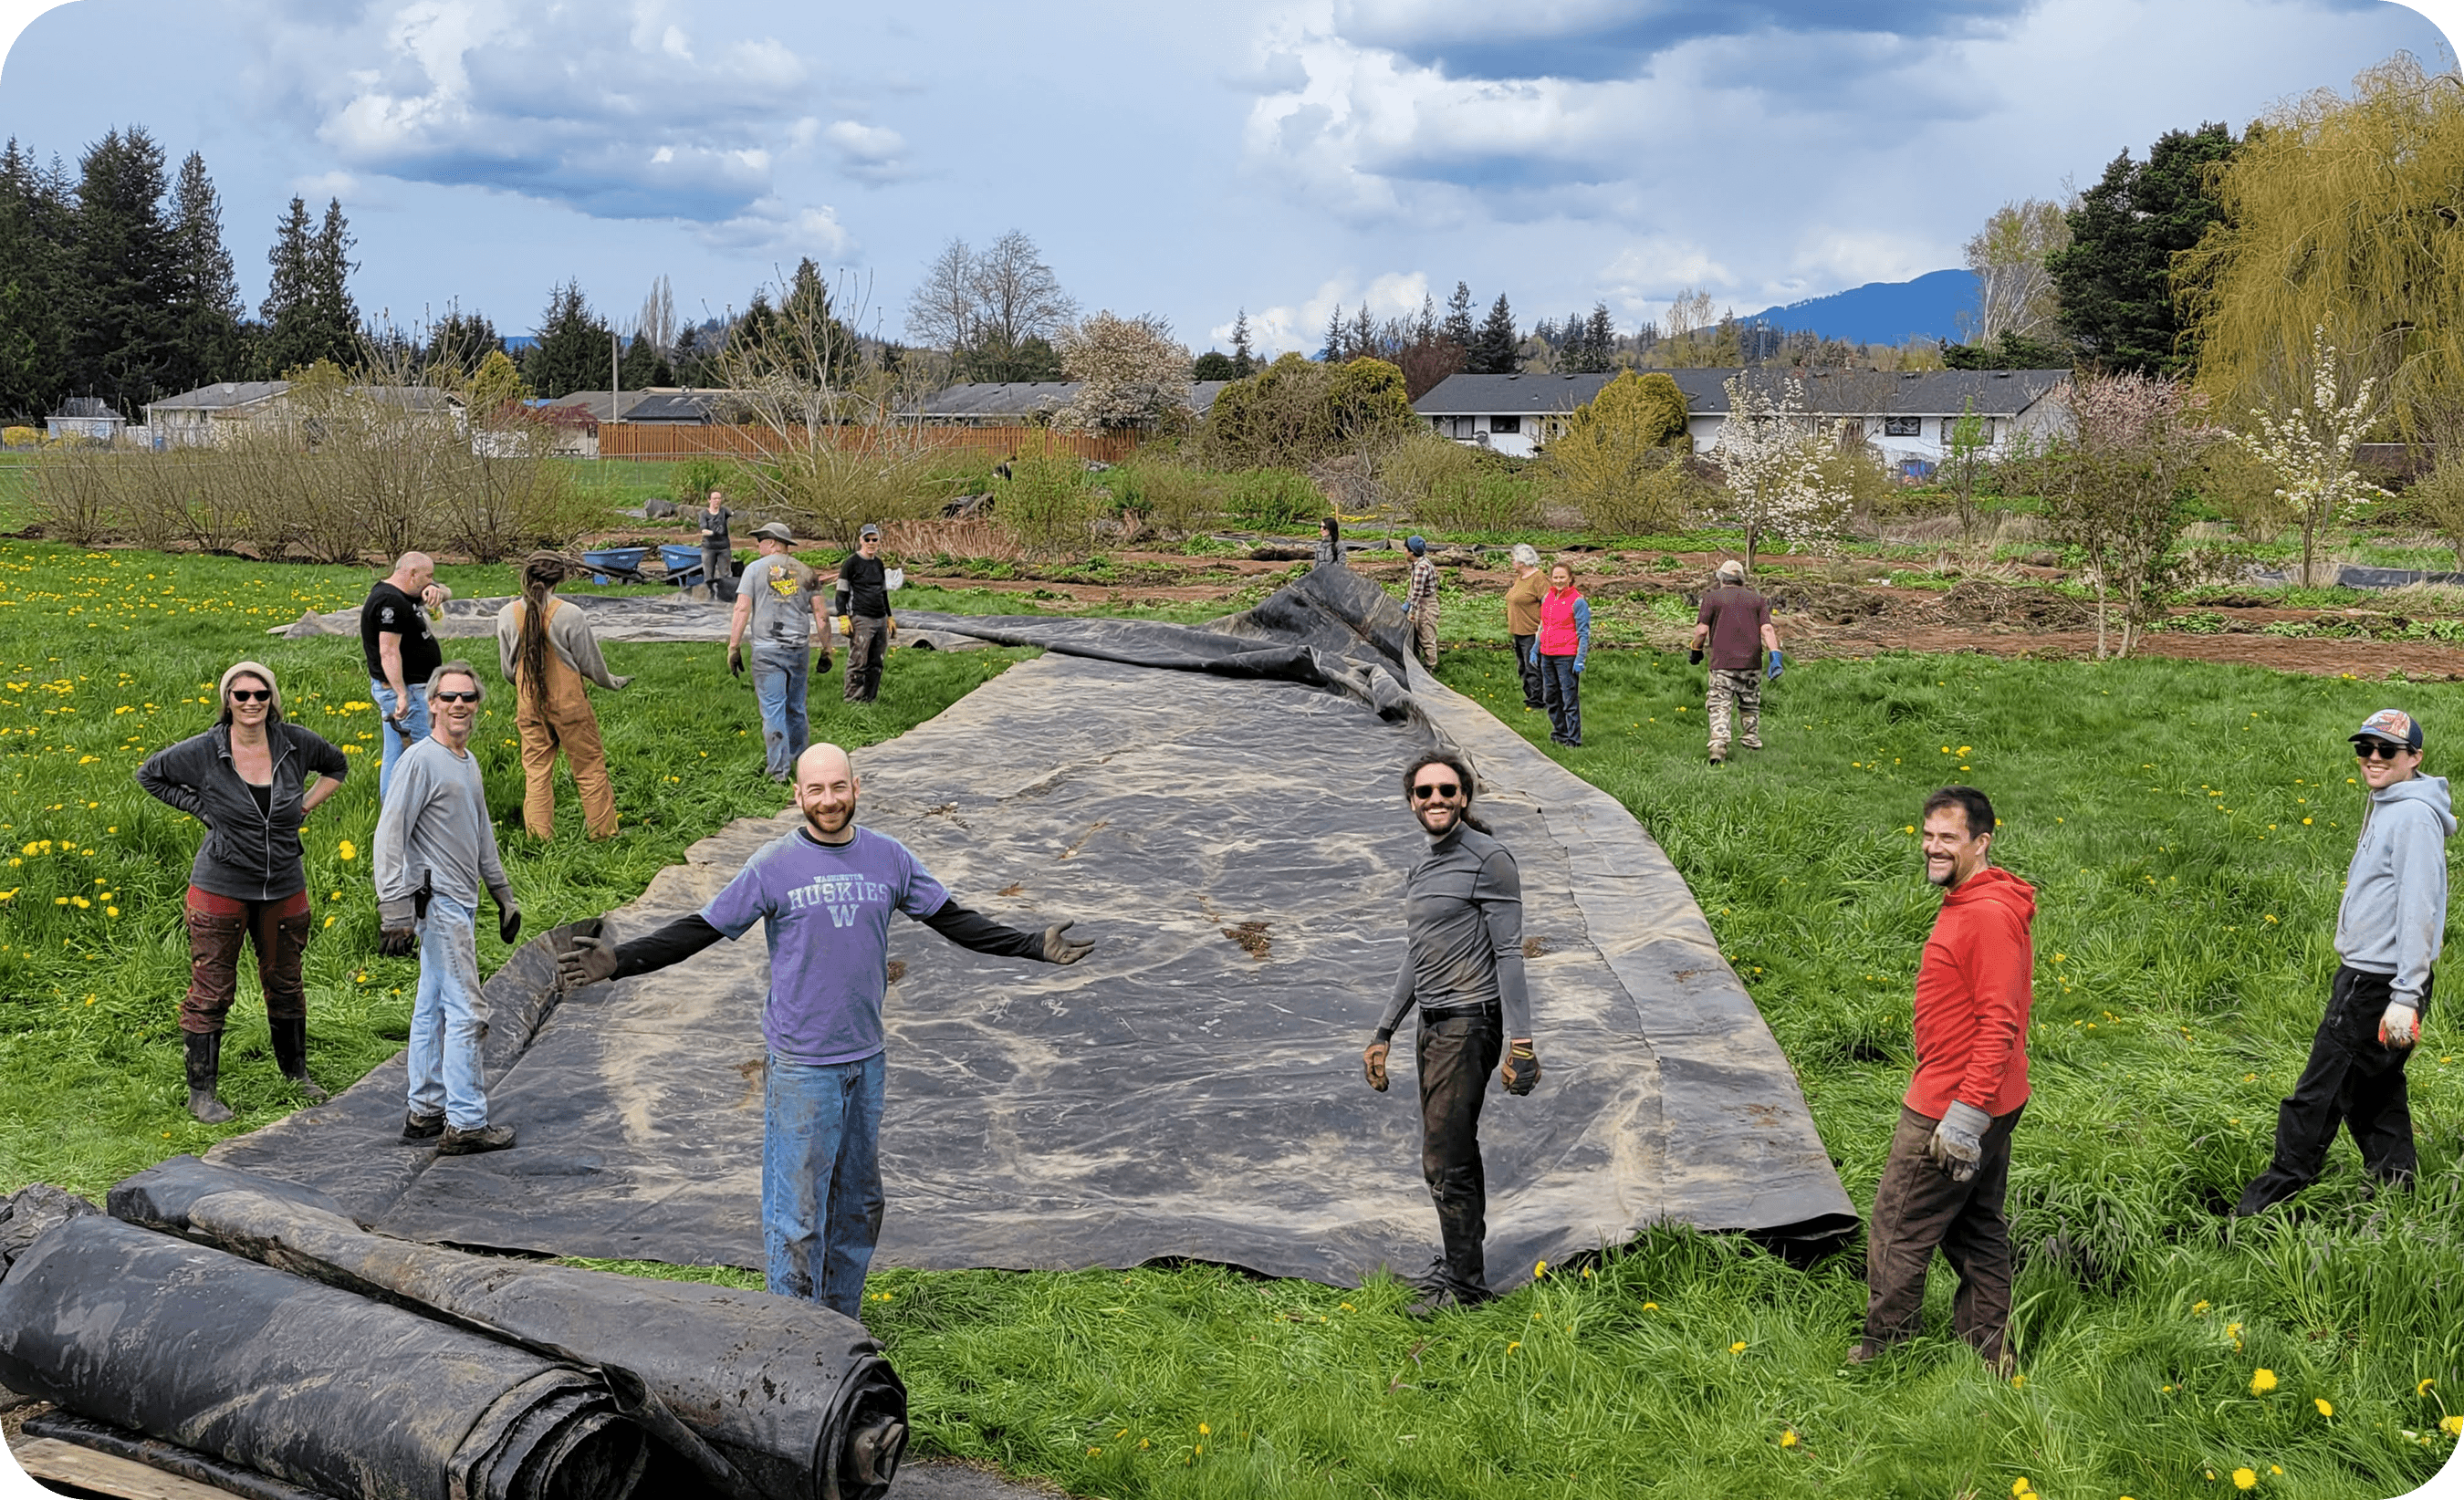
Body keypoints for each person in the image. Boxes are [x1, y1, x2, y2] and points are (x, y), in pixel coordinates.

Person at [555, 743, 1097, 1318]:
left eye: (838, 787)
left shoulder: (889, 858)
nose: (829, 800)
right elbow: (702, 928)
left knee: (859, 1204)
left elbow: (954, 921)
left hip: (866, 1062)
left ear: (856, 788)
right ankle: (793, 1335)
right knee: (796, 1215)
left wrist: (1031, 946)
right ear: (798, 796)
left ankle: (841, 1326)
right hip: (802, 1067)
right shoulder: (773, 865)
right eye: (816, 790)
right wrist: (622, 961)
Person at [2234, 709, 2451, 1215]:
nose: (2373, 759)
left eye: (2386, 751)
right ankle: (2397, 1199)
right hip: (2370, 977)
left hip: (2378, 985)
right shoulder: (2389, 801)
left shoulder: (2414, 816)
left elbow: (2421, 908)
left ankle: (2265, 1205)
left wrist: (2405, 995)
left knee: (2317, 1094)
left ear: (2414, 758)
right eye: (2364, 748)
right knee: (2373, 1091)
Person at [1851, 785, 2033, 1372]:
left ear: (1982, 843)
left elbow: (2000, 1022)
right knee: (1976, 1224)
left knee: (1899, 1226)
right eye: (1928, 835)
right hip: (1993, 1095)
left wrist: (1964, 1116)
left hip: (1954, 1103)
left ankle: (1886, 1353)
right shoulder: (1982, 900)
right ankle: (1989, 1350)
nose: (1933, 847)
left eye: (1948, 838)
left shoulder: (1985, 916)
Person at [1362, 749, 1540, 1316]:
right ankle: (1460, 1264)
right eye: (1423, 792)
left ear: (1464, 796)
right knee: (1447, 1151)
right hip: (1431, 1025)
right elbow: (1417, 956)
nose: (1434, 800)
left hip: (1468, 1025)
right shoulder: (1423, 867)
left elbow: (1509, 954)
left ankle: (1466, 1284)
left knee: (1446, 1157)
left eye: (1445, 790)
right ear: (1411, 802)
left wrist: (1523, 1040)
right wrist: (1384, 1030)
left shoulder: (1490, 860)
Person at [137, 661, 350, 1123]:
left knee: (286, 982)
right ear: (227, 701)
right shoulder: (204, 751)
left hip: (284, 884)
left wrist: (304, 807)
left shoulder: (294, 743)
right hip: (221, 885)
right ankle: (202, 1093)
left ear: (272, 699)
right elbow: (150, 775)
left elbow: (337, 765)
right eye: (241, 695)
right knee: (212, 988)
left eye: (260, 694)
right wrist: (203, 809)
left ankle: (297, 1076)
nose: (251, 703)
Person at [374, 661, 523, 1156]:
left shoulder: (466, 760)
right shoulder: (420, 760)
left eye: (468, 697)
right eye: (449, 697)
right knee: (468, 1010)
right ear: (431, 703)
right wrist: (393, 906)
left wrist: (502, 895)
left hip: (461, 901)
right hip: (435, 903)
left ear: (477, 705)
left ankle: (424, 1110)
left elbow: (481, 835)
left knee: (433, 1007)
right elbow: (389, 832)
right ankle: (465, 1122)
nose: (459, 705)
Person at [496, 553, 631, 841]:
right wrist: (612, 682)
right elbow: (590, 663)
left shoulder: (508, 614)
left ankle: (538, 839)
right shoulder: (569, 614)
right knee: (589, 768)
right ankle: (604, 835)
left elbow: (508, 670)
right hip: (569, 704)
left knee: (536, 774)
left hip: (529, 703)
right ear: (561, 578)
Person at [729, 522, 828, 782]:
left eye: (760, 540)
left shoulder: (753, 570)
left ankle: (778, 772)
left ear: (772, 542)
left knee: (774, 708)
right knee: (796, 707)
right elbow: (822, 615)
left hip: (768, 651)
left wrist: (733, 646)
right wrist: (827, 649)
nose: (757, 546)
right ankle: (801, 765)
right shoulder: (806, 572)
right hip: (797, 650)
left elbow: (741, 610)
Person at [362, 552, 453, 798]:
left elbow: (448, 592)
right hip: (407, 691)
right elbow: (388, 652)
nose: (431, 581)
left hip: (411, 688)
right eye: (428, 576)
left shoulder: (406, 593)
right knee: (427, 753)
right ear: (412, 574)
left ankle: (391, 811)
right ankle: (427, 811)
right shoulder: (390, 602)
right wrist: (401, 694)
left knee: (395, 752)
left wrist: (437, 591)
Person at [1689, 558, 1780, 766]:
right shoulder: (1757, 600)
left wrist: (1696, 649)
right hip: (1752, 662)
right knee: (1749, 702)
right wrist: (1775, 655)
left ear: (1721, 578)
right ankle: (1751, 740)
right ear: (1741, 580)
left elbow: (1702, 631)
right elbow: (1767, 629)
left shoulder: (1712, 598)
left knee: (1720, 703)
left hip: (1722, 662)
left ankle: (1719, 745)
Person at [833, 523, 893, 704]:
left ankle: (870, 699)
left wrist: (889, 616)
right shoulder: (851, 563)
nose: (871, 542)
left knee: (876, 662)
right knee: (858, 661)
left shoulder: (878, 564)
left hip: (880, 617)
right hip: (861, 617)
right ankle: (852, 700)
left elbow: (883, 592)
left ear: (879, 541)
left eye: (874, 539)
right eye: (867, 539)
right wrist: (843, 616)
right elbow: (841, 592)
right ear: (861, 540)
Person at [1537, 561, 1590, 748]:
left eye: (1562, 577)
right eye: (1555, 577)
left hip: (1567, 656)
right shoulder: (1547, 598)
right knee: (1550, 696)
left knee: (1568, 698)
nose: (1558, 580)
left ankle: (1573, 738)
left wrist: (1580, 658)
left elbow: (1584, 632)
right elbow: (1543, 626)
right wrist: (1536, 649)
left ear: (1570, 579)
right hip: (1547, 654)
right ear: (1551, 578)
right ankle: (1559, 732)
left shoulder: (1578, 601)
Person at [1503, 544, 1547, 711]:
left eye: (1514, 559)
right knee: (1523, 666)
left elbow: (1547, 603)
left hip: (1532, 631)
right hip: (1518, 630)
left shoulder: (1538, 579)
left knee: (1533, 666)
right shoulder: (1521, 578)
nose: (1512, 562)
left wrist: (1542, 629)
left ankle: (1538, 699)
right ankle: (1531, 695)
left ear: (1522, 562)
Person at [1403, 535, 1440, 669]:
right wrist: (1408, 601)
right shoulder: (1417, 564)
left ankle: (1430, 667)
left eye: (1405, 549)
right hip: (1420, 603)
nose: (1404, 551)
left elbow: (1418, 591)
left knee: (1426, 637)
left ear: (1412, 552)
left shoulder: (1422, 567)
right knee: (1416, 637)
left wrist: (1411, 610)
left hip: (1426, 605)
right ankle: (1417, 666)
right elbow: (1413, 590)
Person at [698, 487, 734, 587]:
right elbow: (704, 531)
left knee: (726, 575)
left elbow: (734, 515)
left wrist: (733, 514)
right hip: (709, 548)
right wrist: (715, 533)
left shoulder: (724, 511)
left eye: (719, 498)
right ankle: (709, 596)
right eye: (714, 499)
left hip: (724, 548)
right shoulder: (704, 514)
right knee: (708, 576)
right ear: (709, 500)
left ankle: (727, 596)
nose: (717, 501)